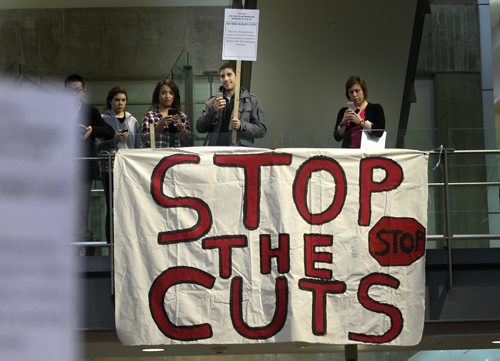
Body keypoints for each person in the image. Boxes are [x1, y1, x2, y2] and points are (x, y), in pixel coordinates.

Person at [65, 74, 114, 243]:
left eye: (76, 90)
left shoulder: (90, 111)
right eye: (69, 91)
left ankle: (84, 242)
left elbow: (109, 132)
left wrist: (92, 130)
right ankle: (86, 239)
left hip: (82, 169)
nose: (73, 94)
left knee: (81, 211)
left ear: (83, 92)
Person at [98, 86, 142, 243]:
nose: (120, 103)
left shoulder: (133, 121)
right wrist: (113, 137)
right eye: (116, 100)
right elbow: (98, 145)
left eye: (123, 100)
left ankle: (128, 242)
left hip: (128, 168)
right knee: (112, 207)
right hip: (109, 167)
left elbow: (138, 145)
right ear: (110, 101)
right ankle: (111, 244)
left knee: (128, 206)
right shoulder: (103, 120)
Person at [196, 61, 266, 146]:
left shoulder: (251, 101)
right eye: (222, 76)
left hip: (239, 152)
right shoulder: (212, 102)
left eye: (229, 74)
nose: (226, 79)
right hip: (216, 151)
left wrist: (242, 126)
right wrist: (212, 110)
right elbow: (200, 128)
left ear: (237, 76)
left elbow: (261, 130)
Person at [333, 75, 385, 148]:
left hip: (367, 154)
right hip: (348, 153)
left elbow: (379, 132)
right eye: (351, 92)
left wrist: (361, 121)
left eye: (357, 91)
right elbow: (337, 137)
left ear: (364, 91)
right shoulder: (343, 111)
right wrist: (343, 123)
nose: (354, 95)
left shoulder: (375, 108)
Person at [141, 79, 191, 148]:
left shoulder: (182, 117)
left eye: (171, 93)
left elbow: (189, 144)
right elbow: (144, 141)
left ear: (174, 96)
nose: (167, 96)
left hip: (177, 157)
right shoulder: (150, 116)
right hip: (157, 157)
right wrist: (160, 126)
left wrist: (182, 128)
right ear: (157, 95)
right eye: (163, 93)